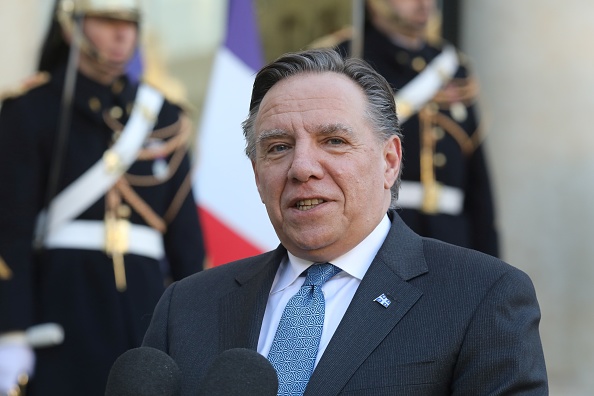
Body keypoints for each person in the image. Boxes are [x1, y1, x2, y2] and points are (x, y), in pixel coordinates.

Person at [142, 48, 547, 395]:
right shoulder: (187, 307)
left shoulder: (480, 296)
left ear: (389, 162)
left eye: (333, 142)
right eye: (279, 147)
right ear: (256, 173)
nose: (302, 168)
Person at [0, 0, 205, 395]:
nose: (121, 34)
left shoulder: (163, 118)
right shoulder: (30, 111)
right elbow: (10, 235)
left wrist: (195, 333)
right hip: (61, 320)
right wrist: (10, 331)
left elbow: (186, 244)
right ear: (69, 26)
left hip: (146, 319)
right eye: (107, 20)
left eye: (130, 23)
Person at [325, 0, 500, 257]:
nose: (424, 3)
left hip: (452, 239)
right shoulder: (346, 57)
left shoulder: (452, 68)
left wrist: (489, 257)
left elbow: (477, 182)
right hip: (377, 234)